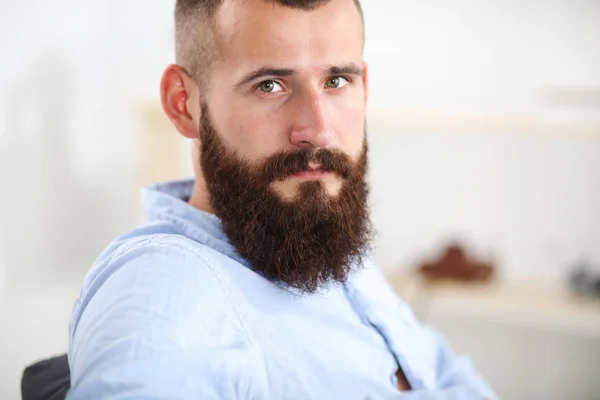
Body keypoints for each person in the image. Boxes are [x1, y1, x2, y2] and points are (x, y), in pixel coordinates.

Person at [66, 0, 497, 398]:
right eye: (269, 85)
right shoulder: (163, 294)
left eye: (336, 81)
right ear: (183, 104)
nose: (318, 129)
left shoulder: (318, 241)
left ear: (363, 86)